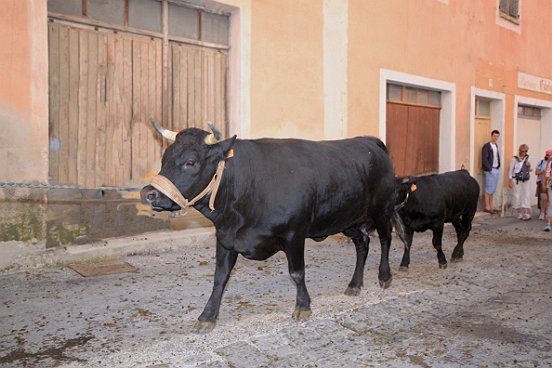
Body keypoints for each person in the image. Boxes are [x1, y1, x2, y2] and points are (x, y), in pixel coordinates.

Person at [508, 144, 533, 220]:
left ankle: (526, 212)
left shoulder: (528, 158)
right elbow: (511, 169)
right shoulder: (515, 158)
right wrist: (510, 180)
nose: (524, 153)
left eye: (526, 151)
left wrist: (529, 165)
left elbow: (531, 170)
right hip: (516, 179)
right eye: (522, 151)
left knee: (526, 194)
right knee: (516, 195)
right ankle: (518, 212)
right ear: (519, 151)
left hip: (526, 178)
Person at [482, 130, 501, 214]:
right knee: (488, 188)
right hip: (490, 169)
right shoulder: (487, 146)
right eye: (494, 136)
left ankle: (491, 206)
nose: (495, 138)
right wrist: (489, 169)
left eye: (497, 136)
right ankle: (487, 206)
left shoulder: (496, 145)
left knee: (492, 189)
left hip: (496, 168)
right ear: (491, 136)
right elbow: (484, 158)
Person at [535, 152, 549, 220]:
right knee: (543, 198)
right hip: (541, 181)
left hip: (549, 182)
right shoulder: (541, 162)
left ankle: (545, 212)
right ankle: (542, 212)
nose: (548, 156)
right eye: (547, 155)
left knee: (548, 199)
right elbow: (536, 172)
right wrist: (542, 172)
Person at [542, 149, 552, 232]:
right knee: (551, 204)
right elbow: (547, 174)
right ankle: (548, 223)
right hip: (551, 186)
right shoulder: (550, 163)